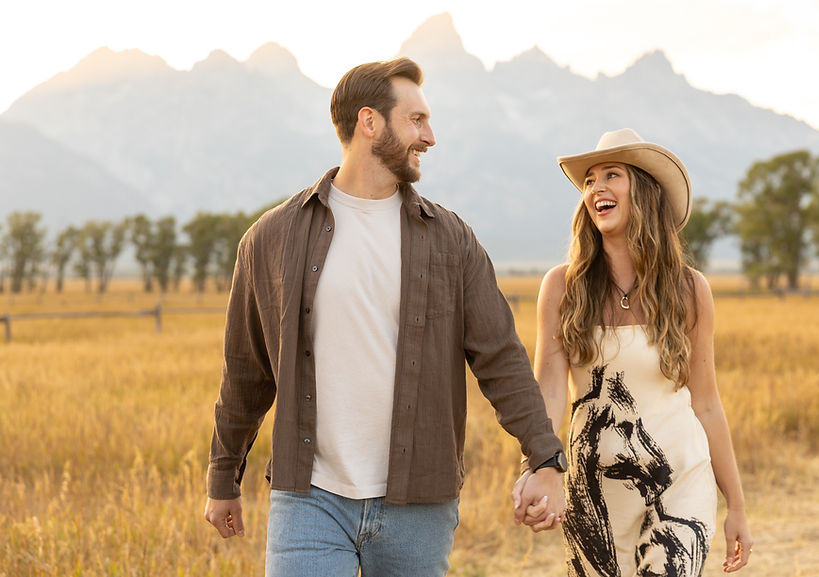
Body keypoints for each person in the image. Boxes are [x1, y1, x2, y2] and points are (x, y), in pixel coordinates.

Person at [203, 57, 566, 576]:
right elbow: (245, 371)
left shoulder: (450, 239)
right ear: (368, 122)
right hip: (310, 499)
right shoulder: (270, 239)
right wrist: (223, 479)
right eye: (416, 120)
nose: (431, 136)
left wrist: (546, 459)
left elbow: (502, 360)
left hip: (418, 502)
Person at [514, 128, 752, 575]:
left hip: (681, 476)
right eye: (589, 181)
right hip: (594, 487)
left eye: (611, 175)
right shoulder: (562, 288)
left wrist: (736, 505)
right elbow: (549, 389)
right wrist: (537, 465)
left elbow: (706, 402)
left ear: (642, 190)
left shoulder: (690, 289)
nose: (596, 188)